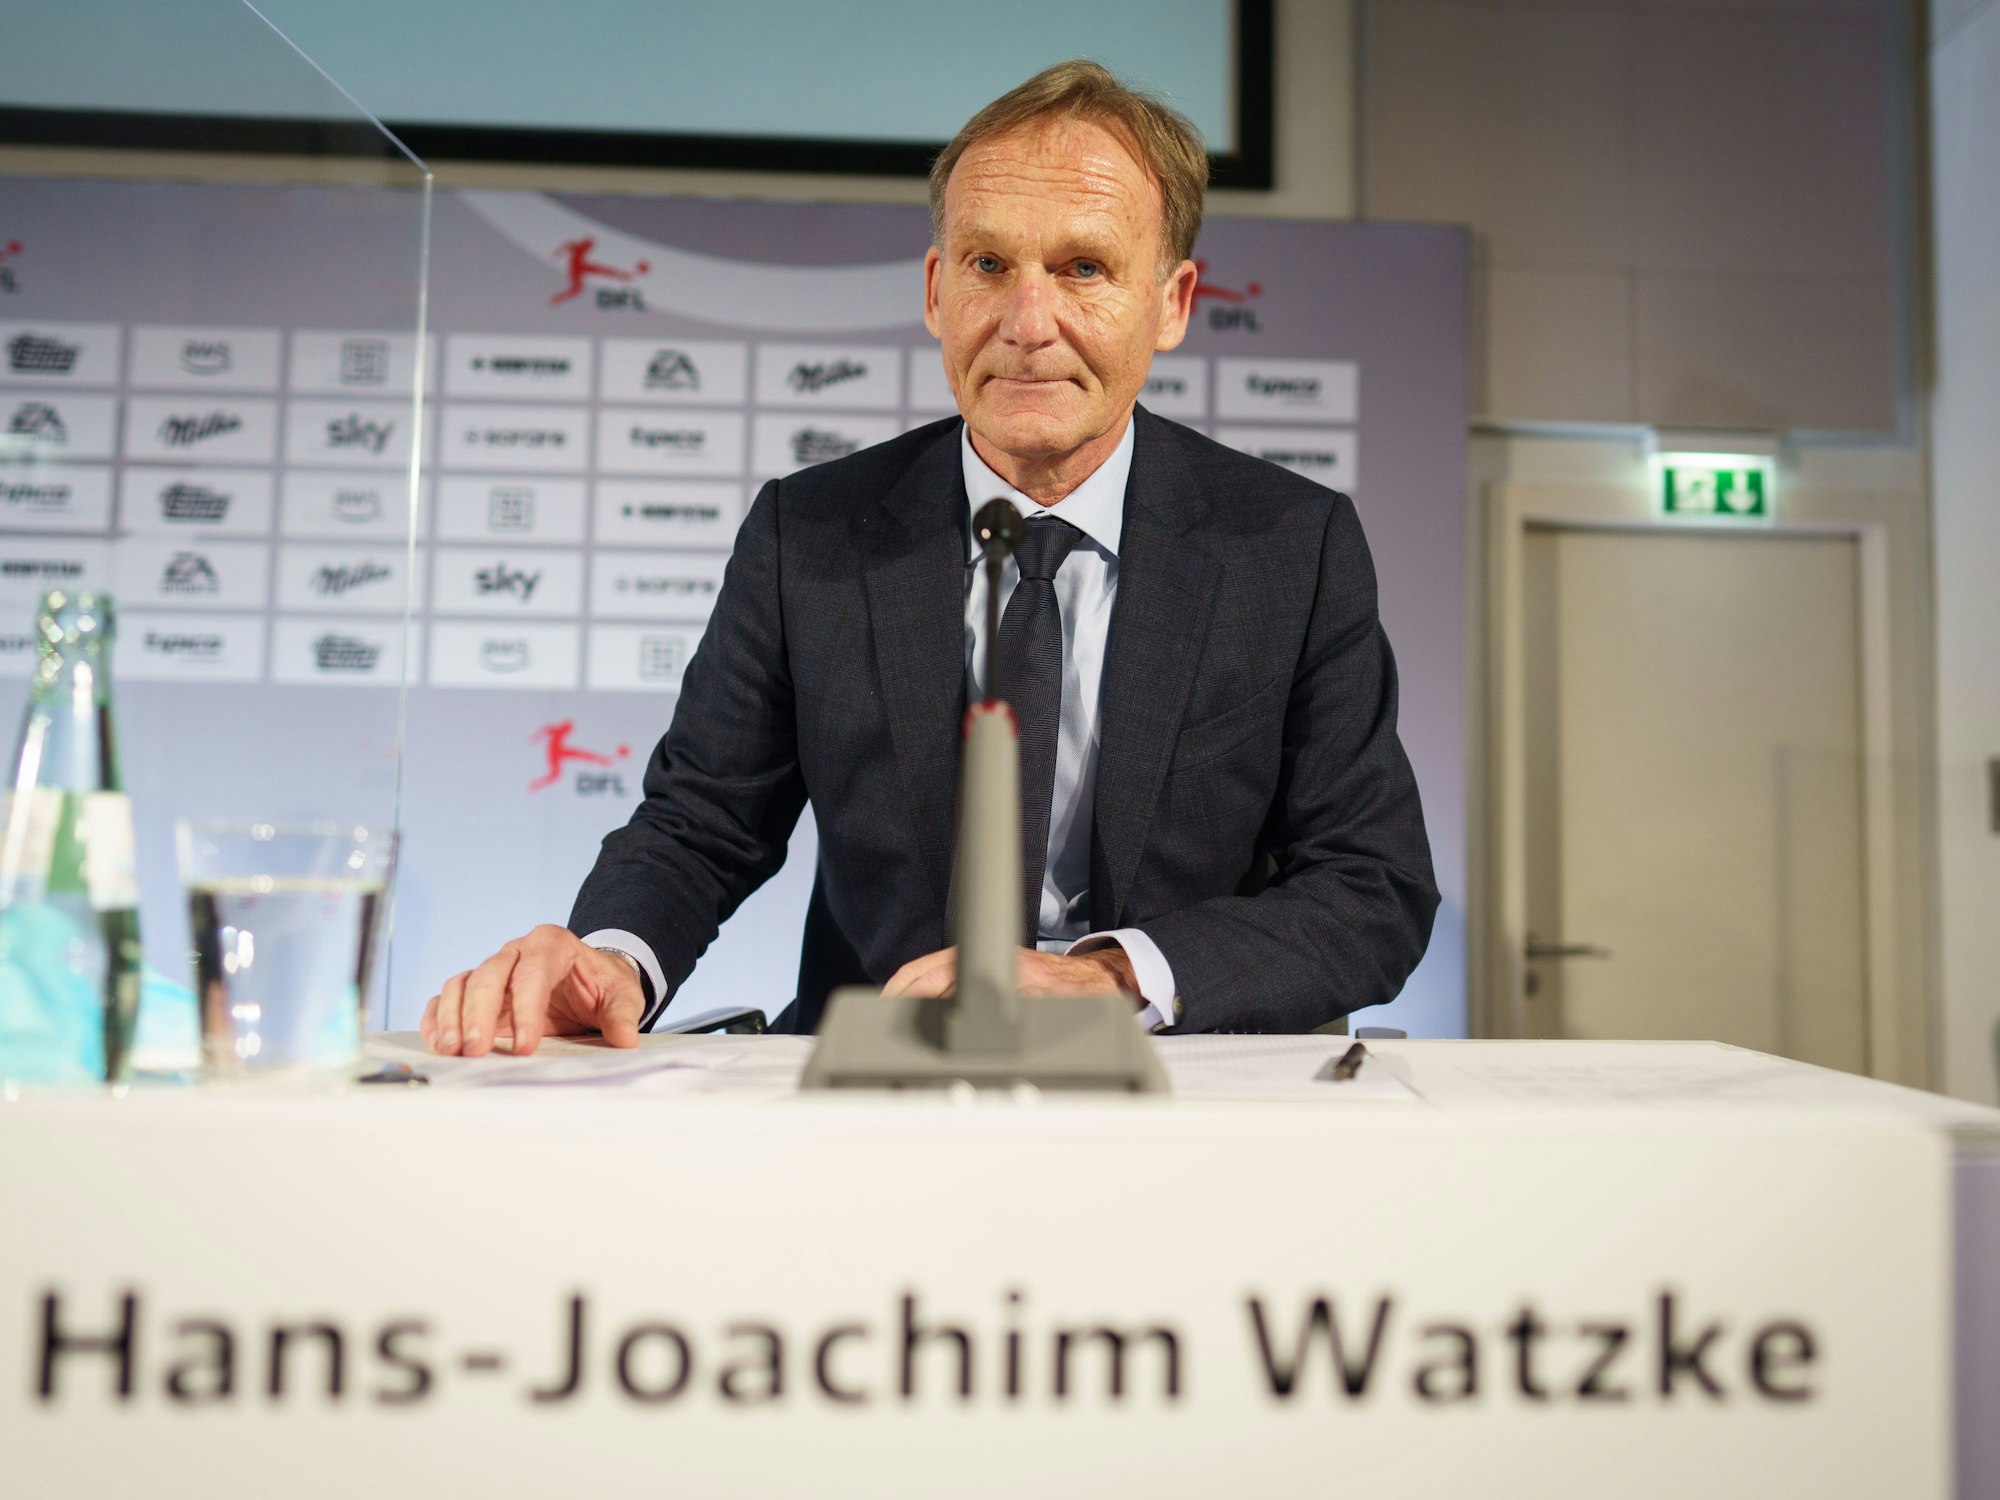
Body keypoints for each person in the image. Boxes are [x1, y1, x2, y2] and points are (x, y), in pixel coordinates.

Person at [422, 60, 1438, 1057]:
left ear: (1170, 303)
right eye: (988, 265)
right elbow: (701, 823)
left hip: (1179, 1083)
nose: (1026, 324)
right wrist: (609, 956)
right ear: (934, 288)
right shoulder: (809, 534)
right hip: (881, 1088)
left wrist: (1107, 976)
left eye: (1082, 268)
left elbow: (1369, 886)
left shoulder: (1286, 547)